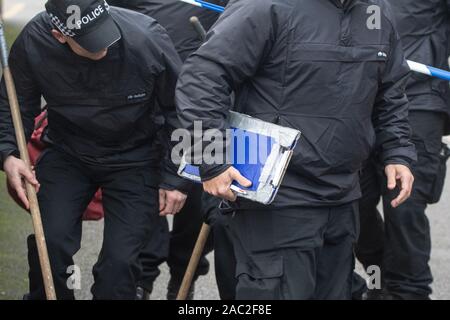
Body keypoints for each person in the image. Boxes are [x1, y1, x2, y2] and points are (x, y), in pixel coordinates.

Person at [176, 0, 416, 300]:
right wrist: (209, 159)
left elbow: (390, 91)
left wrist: (397, 152)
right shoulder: (266, 7)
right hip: (278, 200)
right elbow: (202, 76)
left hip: (342, 198)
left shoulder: (376, 12)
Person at [0, 0, 190, 299]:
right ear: (59, 35)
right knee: (50, 244)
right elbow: (15, 105)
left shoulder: (146, 38)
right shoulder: (34, 41)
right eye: (90, 42)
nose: (102, 46)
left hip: (136, 157)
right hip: (68, 152)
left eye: (104, 33)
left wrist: (175, 179)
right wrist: (9, 154)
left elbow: (181, 111)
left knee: (120, 263)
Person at [108, 0, 228, 300]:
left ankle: (182, 283)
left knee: (197, 208)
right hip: (148, 105)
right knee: (146, 208)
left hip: (203, 107)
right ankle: (141, 283)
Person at [356, 0, 450, 300]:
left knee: (404, 209)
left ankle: (408, 292)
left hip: (419, 100)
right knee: (350, 202)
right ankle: (379, 275)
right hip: (360, 98)